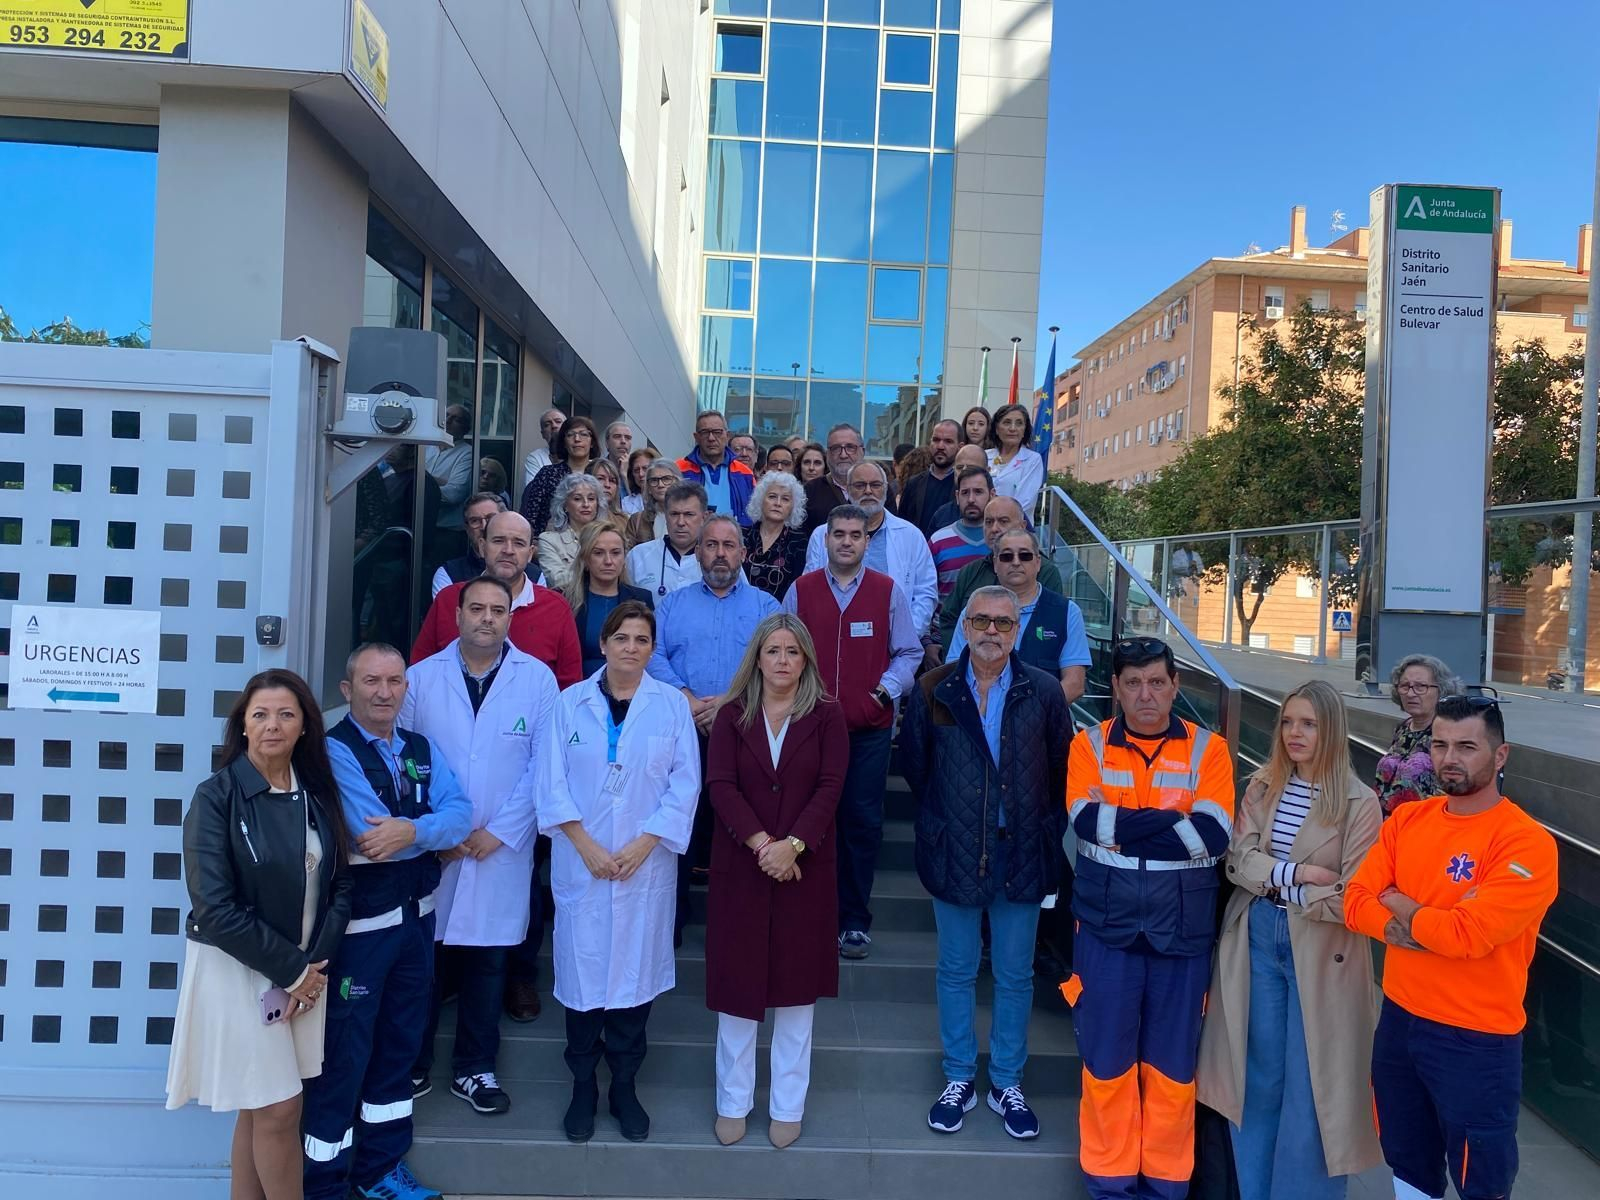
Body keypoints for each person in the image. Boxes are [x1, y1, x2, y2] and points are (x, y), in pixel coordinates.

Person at [1345, 694, 1558, 1200]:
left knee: (1481, 1180)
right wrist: (1401, 922)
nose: (1449, 758)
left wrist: (1399, 901)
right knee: (1408, 1166)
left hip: (1476, 1039)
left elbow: (1467, 935)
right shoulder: (1407, 822)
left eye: (1466, 746)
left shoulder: (1524, 842)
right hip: (1400, 1023)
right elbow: (1355, 901)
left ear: (1500, 755)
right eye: (1440, 744)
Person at [166, 670, 353, 1200]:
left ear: (303, 729)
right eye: (261, 714)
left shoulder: (317, 797)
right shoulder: (216, 797)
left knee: (260, 1106)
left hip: (302, 973)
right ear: (243, 727)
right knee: (278, 1108)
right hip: (238, 971)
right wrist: (294, 973)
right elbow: (215, 909)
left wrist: (312, 969)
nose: (273, 725)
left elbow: (341, 887)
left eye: (286, 715)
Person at [1196, 681, 1384, 1200]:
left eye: (1309, 724)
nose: (1295, 734)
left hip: (1323, 950)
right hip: (1256, 935)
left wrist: (1278, 881)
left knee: (1312, 1092)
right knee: (1254, 1084)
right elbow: (1238, 861)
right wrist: (1298, 873)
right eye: (1287, 722)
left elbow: (1353, 894)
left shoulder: (1359, 802)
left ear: (1332, 730)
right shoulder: (1261, 785)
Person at [1064, 636, 1236, 1200]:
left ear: (1175, 687)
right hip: (1106, 928)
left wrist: (1129, 825)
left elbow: (1213, 835)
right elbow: (1088, 824)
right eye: (1133, 683)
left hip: (1181, 934)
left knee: (1172, 1071)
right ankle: (1109, 1183)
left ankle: (1166, 1185)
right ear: (1113, 689)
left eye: (1157, 682)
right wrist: (1170, 825)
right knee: (1107, 1064)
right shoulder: (1086, 744)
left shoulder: (1209, 750)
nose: (1146, 694)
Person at [303, 644, 474, 1200]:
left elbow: (461, 814)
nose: (384, 692)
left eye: (394, 681)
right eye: (371, 681)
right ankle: (325, 1181)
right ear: (347, 690)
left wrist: (413, 833)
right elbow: (365, 834)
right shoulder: (333, 751)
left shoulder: (421, 748)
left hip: (417, 925)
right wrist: (428, 834)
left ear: (406, 688)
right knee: (345, 1054)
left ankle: (380, 1171)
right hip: (361, 932)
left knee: (399, 1049)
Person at [903, 587, 1072, 1142]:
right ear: (966, 626)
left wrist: (1038, 827)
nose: (992, 631)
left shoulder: (1043, 691)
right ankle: (958, 1078)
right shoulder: (932, 689)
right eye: (982, 620)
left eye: (1004, 622)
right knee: (955, 969)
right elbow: (918, 769)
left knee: (1015, 973)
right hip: (954, 847)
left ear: (1017, 629)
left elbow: (1058, 774)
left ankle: (1005, 1081)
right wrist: (948, 821)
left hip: (1020, 849)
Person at [537, 602, 701, 1143]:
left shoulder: (671, 708)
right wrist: (582, 844)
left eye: (642, 639)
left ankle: (625, 1088)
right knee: (583, 983)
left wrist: (644, 844)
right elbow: (551, 782)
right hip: (581, 865)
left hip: (644, 867)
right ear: (603, 644)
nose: (631, 647)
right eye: (621, 637)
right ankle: (583, 1087)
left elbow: (685, 785)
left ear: (653, 649)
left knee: (634, 983)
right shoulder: (568, 705)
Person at [402, 576, 560, 1116]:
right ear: (457, 614)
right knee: (425, 963)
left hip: (501, 847)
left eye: (498, 609)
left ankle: (474, 1068)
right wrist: (436, 834)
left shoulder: (536, 680)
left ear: (510, 618)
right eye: (477, 608)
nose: (487, 618)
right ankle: (413, 1064)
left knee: (490, 964)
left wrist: (499, 832)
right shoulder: (420, 679)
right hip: (435, 848)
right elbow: (403, 760)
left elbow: (544, 765)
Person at [704, 614, 849, 1149]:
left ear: (806, 658)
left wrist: (794, 845)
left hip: (803, 872)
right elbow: (720, 786)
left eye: (792, 651)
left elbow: (832, 785)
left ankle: (788, 1104)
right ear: (757, 659)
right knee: (738, 996)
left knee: (795, 997)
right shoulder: (731, 716)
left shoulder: (827, 715)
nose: (783, 660)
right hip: (743, 869)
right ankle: (732, 1101)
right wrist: (765, 844)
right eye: (773, 651)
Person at [782, 505, 921, 960]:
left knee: (861, 824)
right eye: (838, 533)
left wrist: (883, 693)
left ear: (866, 541)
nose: (846, 541)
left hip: (868, 730)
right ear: (825, 540)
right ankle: (809, 917)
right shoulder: (800, 591)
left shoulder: (888, 591)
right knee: (808, 821)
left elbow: (908, 652)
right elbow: (782, 650)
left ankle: (855, 921)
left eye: (855, 534)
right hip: (808, 728)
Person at [647, 515, 781, 938]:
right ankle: (674, 917)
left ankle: (739, 924)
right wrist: (686, 698)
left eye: (729, 545)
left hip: (745, 730)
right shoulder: (673, 604)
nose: (720, 553)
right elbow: (654, 655)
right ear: (698, 551)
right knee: (682, 825)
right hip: (682, 728)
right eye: (711, 545)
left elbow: (778, 663)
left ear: (744, 553)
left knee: (740, 826)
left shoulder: (766, 607)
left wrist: (729, 702)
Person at [412, 511, 582, 689]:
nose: (508, 550)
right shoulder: (449, 600)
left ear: (530, 553)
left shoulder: (556, 607)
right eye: (499, 540)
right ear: (482, 546)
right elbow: (420, 672)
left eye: (518, 543)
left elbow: (569, 687)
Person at [946, 529, 1088, 704]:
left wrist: (1034, 714)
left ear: (1038, 563)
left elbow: (1074, 684)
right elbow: (954, 672)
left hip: (1044, 725)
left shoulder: (1068, 613)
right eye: (1006, 556)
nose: (1015, 562)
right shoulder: (973, 611)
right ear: (995, 564)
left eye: (1025, 556)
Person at [803, 460, 938, 638]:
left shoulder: (911, 535)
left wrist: (905, 636)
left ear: (885, 489)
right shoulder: (822, 534)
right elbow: (810, 590)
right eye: (860, 485)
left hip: (894, 642)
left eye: (875, 485)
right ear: (848, 490)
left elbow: (925, 592)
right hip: (832, 638)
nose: (868, 491)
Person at [939, 497, 1065, 654]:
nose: (994, 529)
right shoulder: (970, 572)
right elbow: (949, 619)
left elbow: (1051, 628)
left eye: (1003, 521)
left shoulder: (1045, 571)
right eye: (989, 522)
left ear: (1023, 526)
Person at [1376, 653, 1464, 816]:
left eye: (1420, 686)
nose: (1410, 693)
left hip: (1422, 826)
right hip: (1386, 826)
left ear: (1441, 690)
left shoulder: (1448, 734)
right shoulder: (1403, 728)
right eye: (1405, 686)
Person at [566, 522, 654, 678]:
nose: (608, 561)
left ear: (624, 558)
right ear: (585, 559)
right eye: (598, 553)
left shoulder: (642, 599)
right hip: (579, 689)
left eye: (615, 553)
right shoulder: (566, 600)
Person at [520, 414, 600, 535]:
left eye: (583, 434)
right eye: (570, 435)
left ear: (592, 441)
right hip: (550, 543)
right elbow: (530, 516)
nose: (577, 439)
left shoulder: (601, 476)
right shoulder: (547, 474)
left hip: (594, 542)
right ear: (564, 442)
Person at [626, 482, 708, 597]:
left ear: (704, 518)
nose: (680, 522)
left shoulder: (718, 560)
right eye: (674, 514)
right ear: (665, 516)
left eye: (689, 514)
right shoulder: (638, 556)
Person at [677, 408, 757, 524]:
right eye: (705, 432)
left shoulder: (745, 473)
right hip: (692, 540)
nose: (711, 438)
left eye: (717, 432)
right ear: (696, 437)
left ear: (727, 435)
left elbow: (755, 512)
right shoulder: (679, 469)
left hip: (736, 539)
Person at [930, 467, 996, 601]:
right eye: (965, 493)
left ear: (992, 495)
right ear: (957, 497)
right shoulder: (938, 541)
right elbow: (926, 591)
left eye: (978, 492)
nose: (971, 499)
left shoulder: (1003, 540)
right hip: (946, 621)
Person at [537, 472, 610, 592]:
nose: (586, 504)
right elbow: (557, 580)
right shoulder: (548, 540)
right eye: (577, 499)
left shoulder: (609, 538)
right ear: (565, 505)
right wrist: (597, 574)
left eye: (591, 499)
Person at [742, 470, 809, 600]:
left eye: (785, 499)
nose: (778, 503)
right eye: (772, 496)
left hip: (779, 614)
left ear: (793, 506)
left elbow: (796, 587)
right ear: (761, 500)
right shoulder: (742, 535)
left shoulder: (799, 541)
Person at [432, 492, 509, 598]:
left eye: (491, 518)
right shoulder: (449, 574)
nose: (484, 526)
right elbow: (447, 613)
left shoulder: (533, 575)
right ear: (467, 529)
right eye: (475, 521)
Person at [424, 404, 475, 561]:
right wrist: (439, 482)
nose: (448, 420)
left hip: (446, 531)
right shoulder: (425, 446)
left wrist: (422, 478)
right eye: (446, 415)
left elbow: (454, 494)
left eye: (456, 419)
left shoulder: (468, 453)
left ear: (465, 428)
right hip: (419, 525)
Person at [898, 419, 962, 538]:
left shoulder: (963, 485)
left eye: (948, 441)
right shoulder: (914, 484)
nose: (940, 446)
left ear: (960, 446)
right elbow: (902, 524)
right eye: (936, 440)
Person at [799, 423, 862, 538]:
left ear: (862, 451)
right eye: (836, 448)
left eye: (850, 447)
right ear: (827, 455)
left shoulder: (877, 489)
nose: (843, 455)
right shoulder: (809, 491)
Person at [986, 404, 1045, 516]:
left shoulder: (1033, 459)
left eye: (1019, 423)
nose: (1013, 428)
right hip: (984, 524)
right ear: (997, 429)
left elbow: (1026, 500)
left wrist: (999, 516)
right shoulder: (984, 456)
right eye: (1007, 422)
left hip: (1016, 527)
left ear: (1024, 431)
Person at [924, 443, 989, 531]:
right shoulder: (942, 515)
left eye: (971, 468)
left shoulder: (1003, 513)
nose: (963, 472)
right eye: (959, 467)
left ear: (988, 470)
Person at [625, 457, 682, 547]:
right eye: (654, 480)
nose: (660, 485)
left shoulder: (690, 517)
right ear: (649, 488)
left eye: (666, 479)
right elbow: (628, 555)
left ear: (677, 482)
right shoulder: (637, 521)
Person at [521, 406, 566, 489]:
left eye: (558, 421)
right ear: (543, 434)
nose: (554, 426)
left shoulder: (579, 453)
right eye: (547, 424)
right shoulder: (535, 458)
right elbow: (533, 491)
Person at [622, 447, 659, 516]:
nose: (641, 474)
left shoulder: (668, 498)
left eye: (645, 468)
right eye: (636, 470)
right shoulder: (626, 502)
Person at [603, 420, 634, 492]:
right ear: (607, 443)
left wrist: (625, 475)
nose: (623, 441)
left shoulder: (638, 472)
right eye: (617, 437)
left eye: (627, 438)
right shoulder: (596, 469)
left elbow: (638, 502)